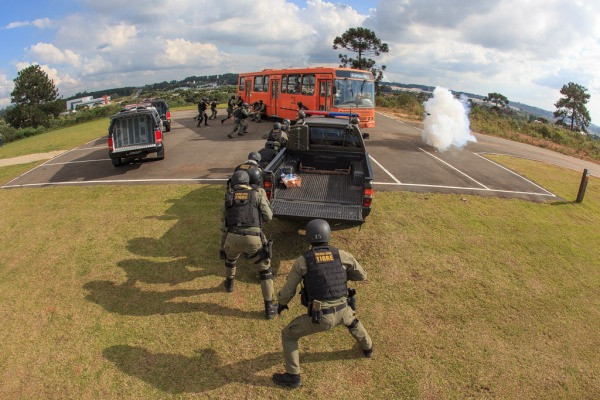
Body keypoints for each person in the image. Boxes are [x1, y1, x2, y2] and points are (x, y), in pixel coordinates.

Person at [272, 219, 373, 388]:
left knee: (288, 334)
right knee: (353, 322)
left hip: (321, 317)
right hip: (344, 310)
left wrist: (281, 303)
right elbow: (362, 275)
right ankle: (368, 348)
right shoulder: (342, 255)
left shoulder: (303, 261)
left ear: (309, 238)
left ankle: (293, 376)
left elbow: (289, 290)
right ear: (328, 235)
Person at [221, 170, 276, 319]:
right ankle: (269, 308)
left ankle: (229, 284)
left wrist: (222, 247)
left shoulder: (228, 196)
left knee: (230, 260)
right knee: (265, 271)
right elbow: (269, 217)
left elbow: (224, 224)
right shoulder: (257, 194)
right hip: (254, 239)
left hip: (232, 237)